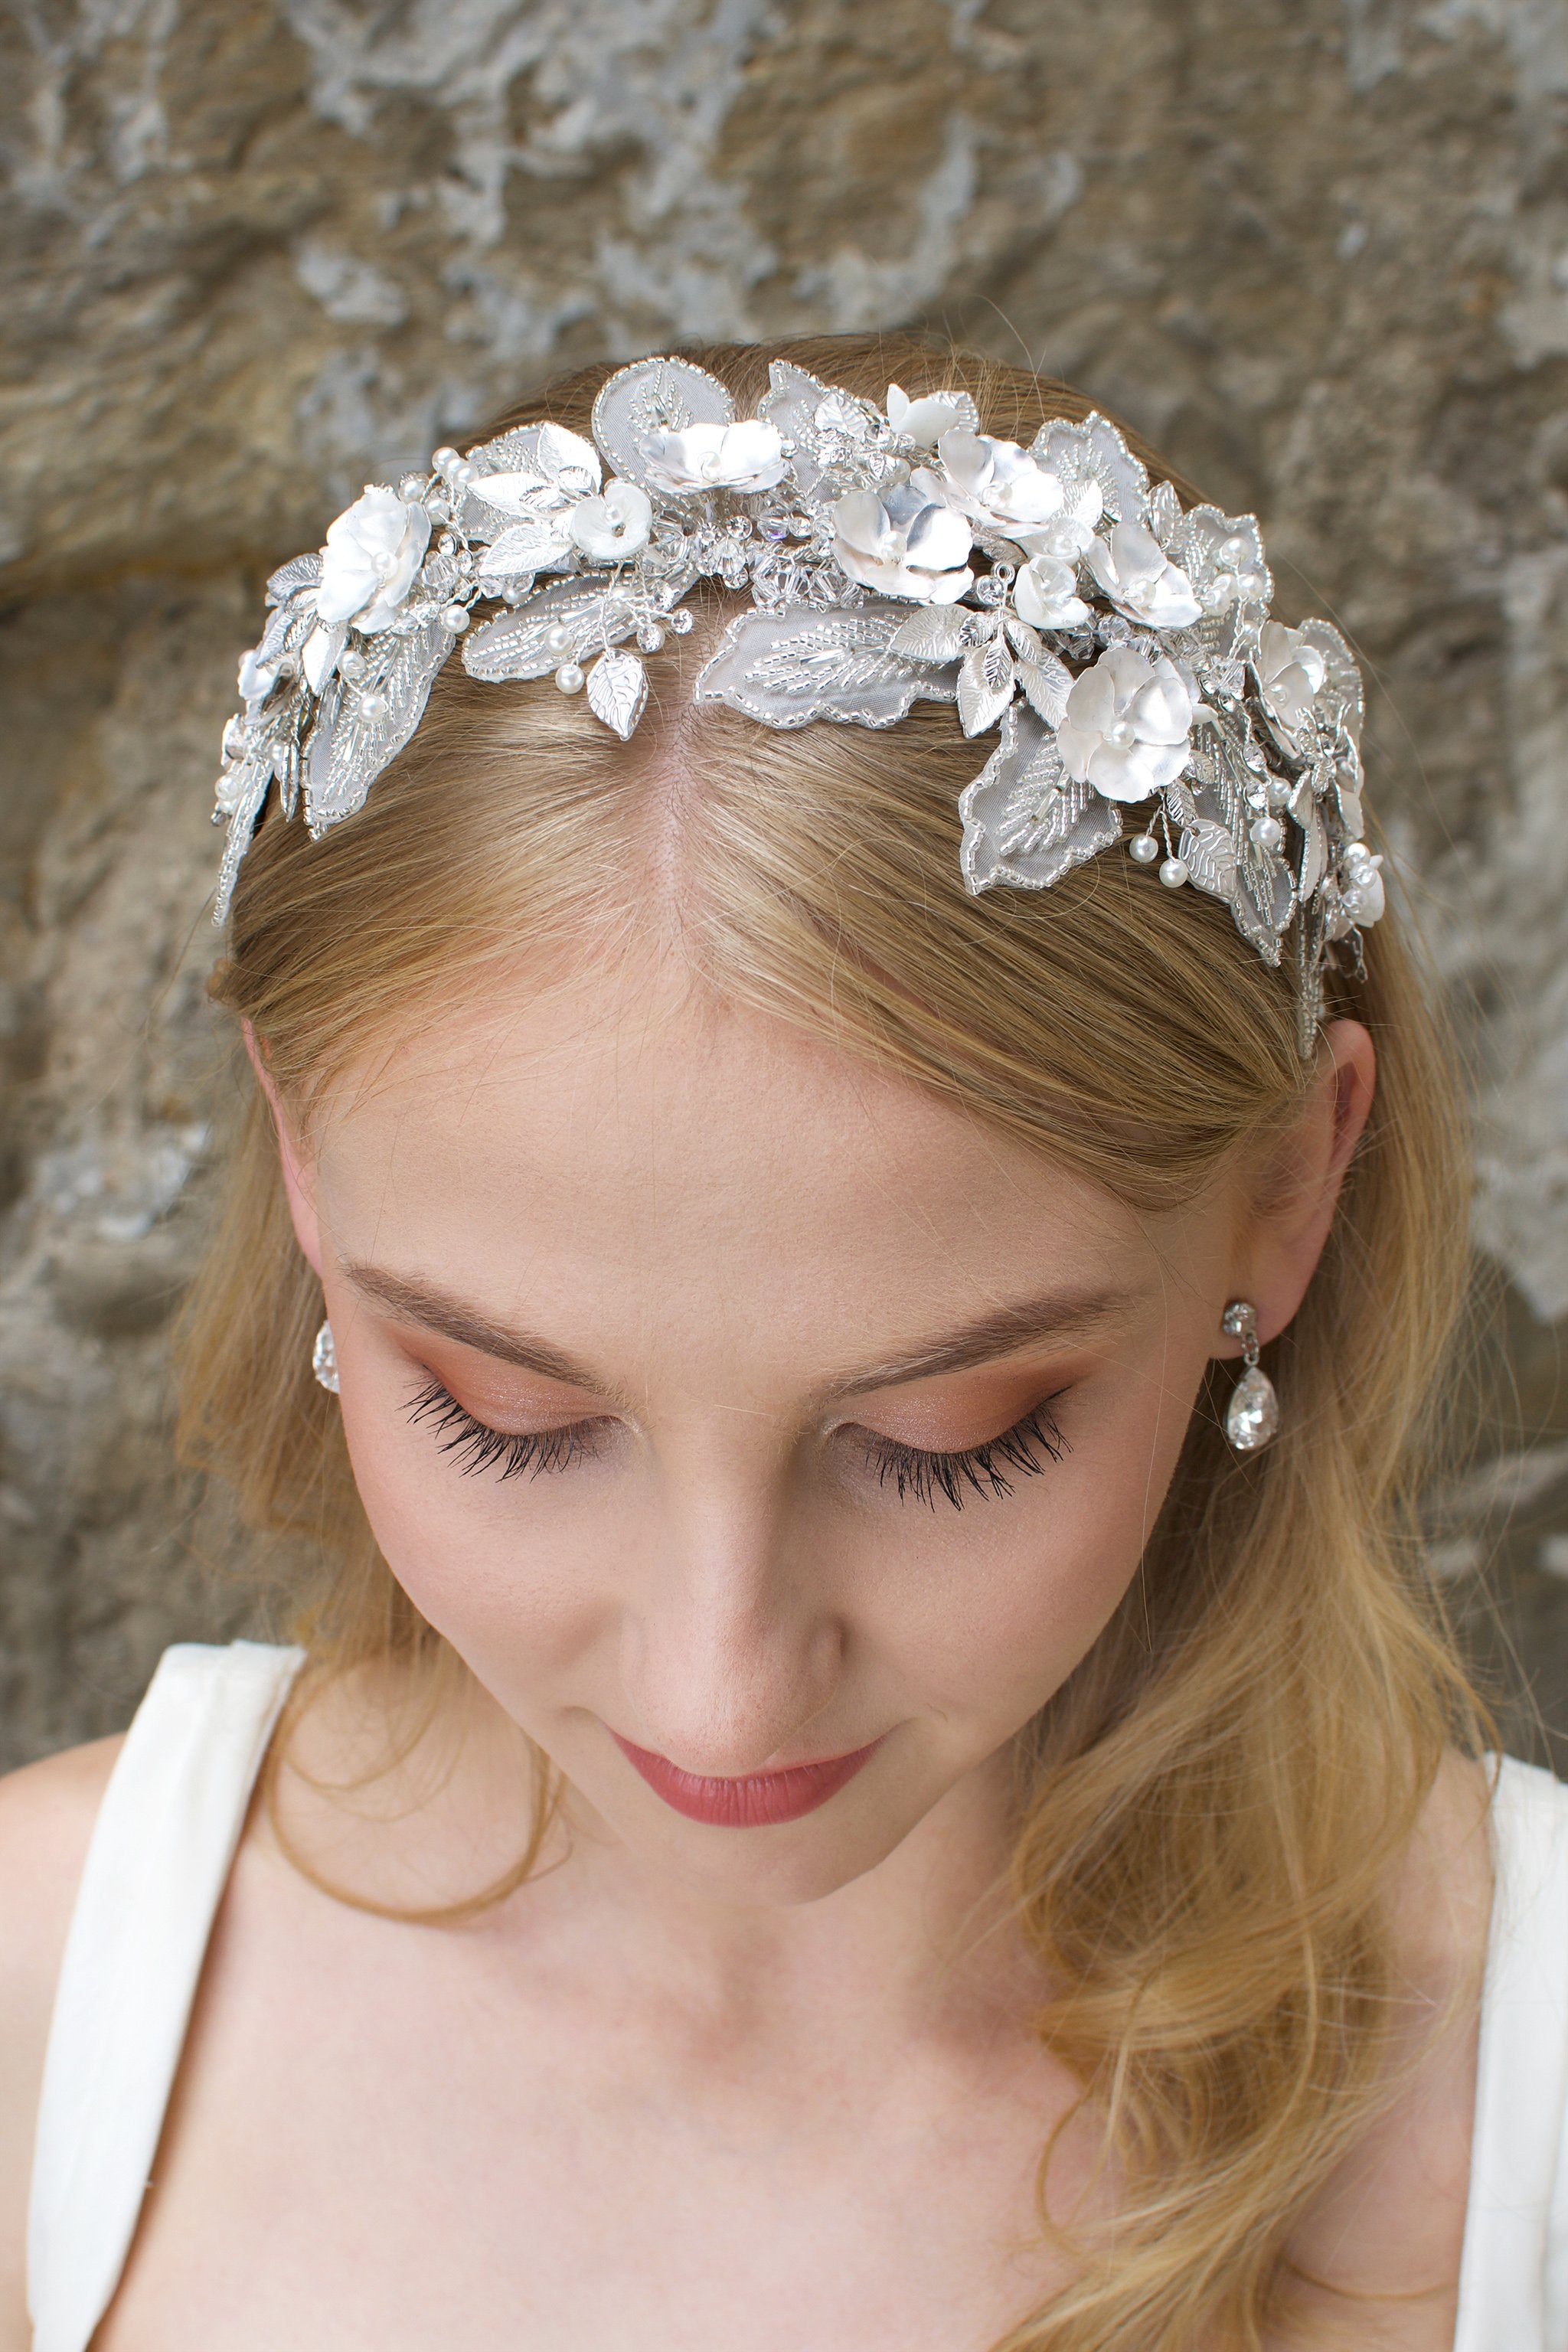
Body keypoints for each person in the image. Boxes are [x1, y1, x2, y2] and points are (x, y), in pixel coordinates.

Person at [0, 332, 1560, 2352]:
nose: (720, 1694)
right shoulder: (40, 2009)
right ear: (303, 1170)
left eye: (952, 1439)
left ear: (1290, 1192)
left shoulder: (1520, 2097)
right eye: (508, 1416)